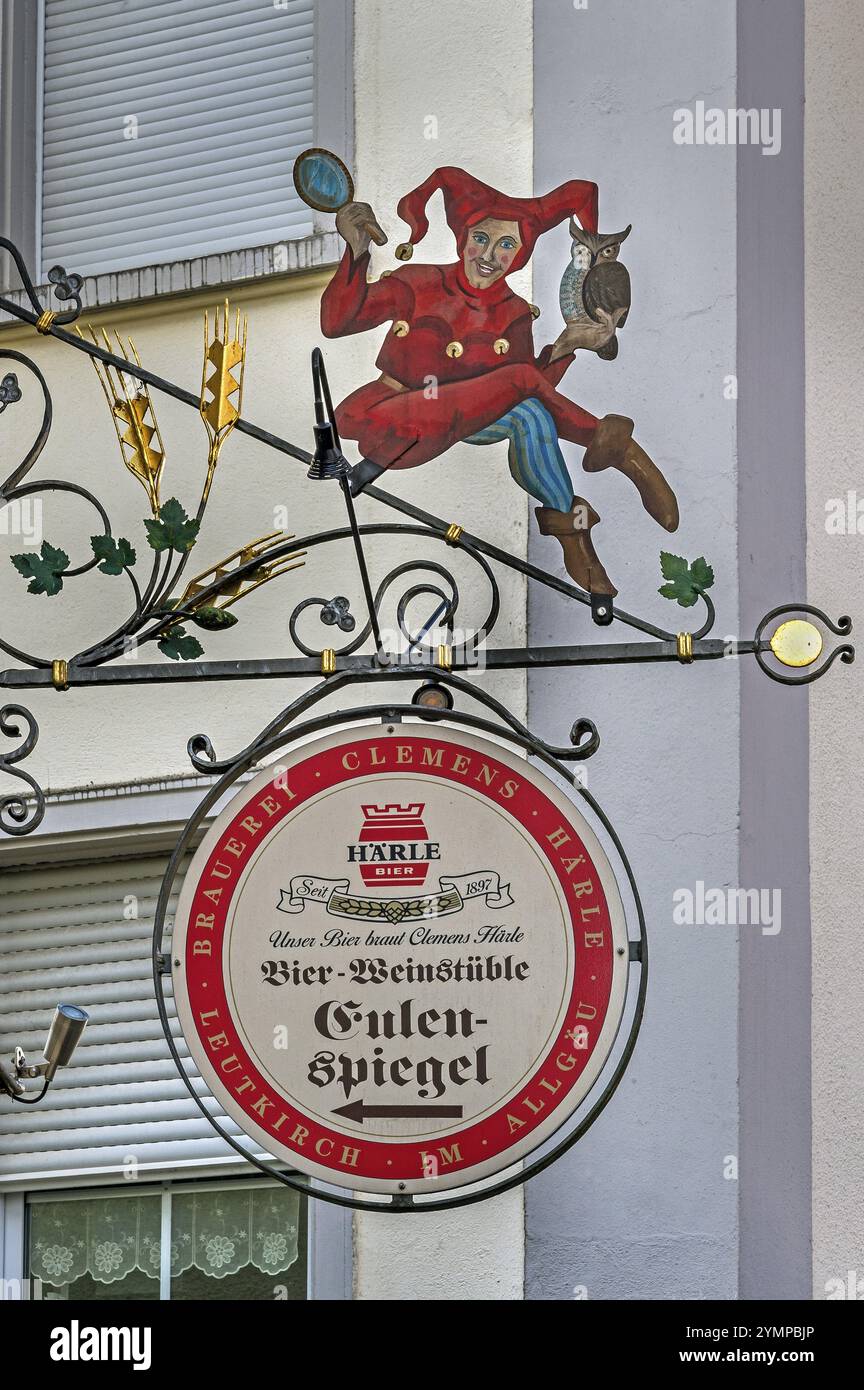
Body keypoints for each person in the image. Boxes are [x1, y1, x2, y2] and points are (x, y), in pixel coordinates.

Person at [320, 166, 678, 612]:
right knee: (521, 384)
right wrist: (354, 253)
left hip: (462, 423)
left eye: (507, 244)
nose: (491, 254)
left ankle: (575, 539)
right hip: (394, 417)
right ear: (463, 238)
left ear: (521, 253)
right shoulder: (419, 282)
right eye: (481, 238)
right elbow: (337, 323)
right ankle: (619, 450)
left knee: (531, 414)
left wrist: (566, 345)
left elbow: (527, 393)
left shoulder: (512, 312)